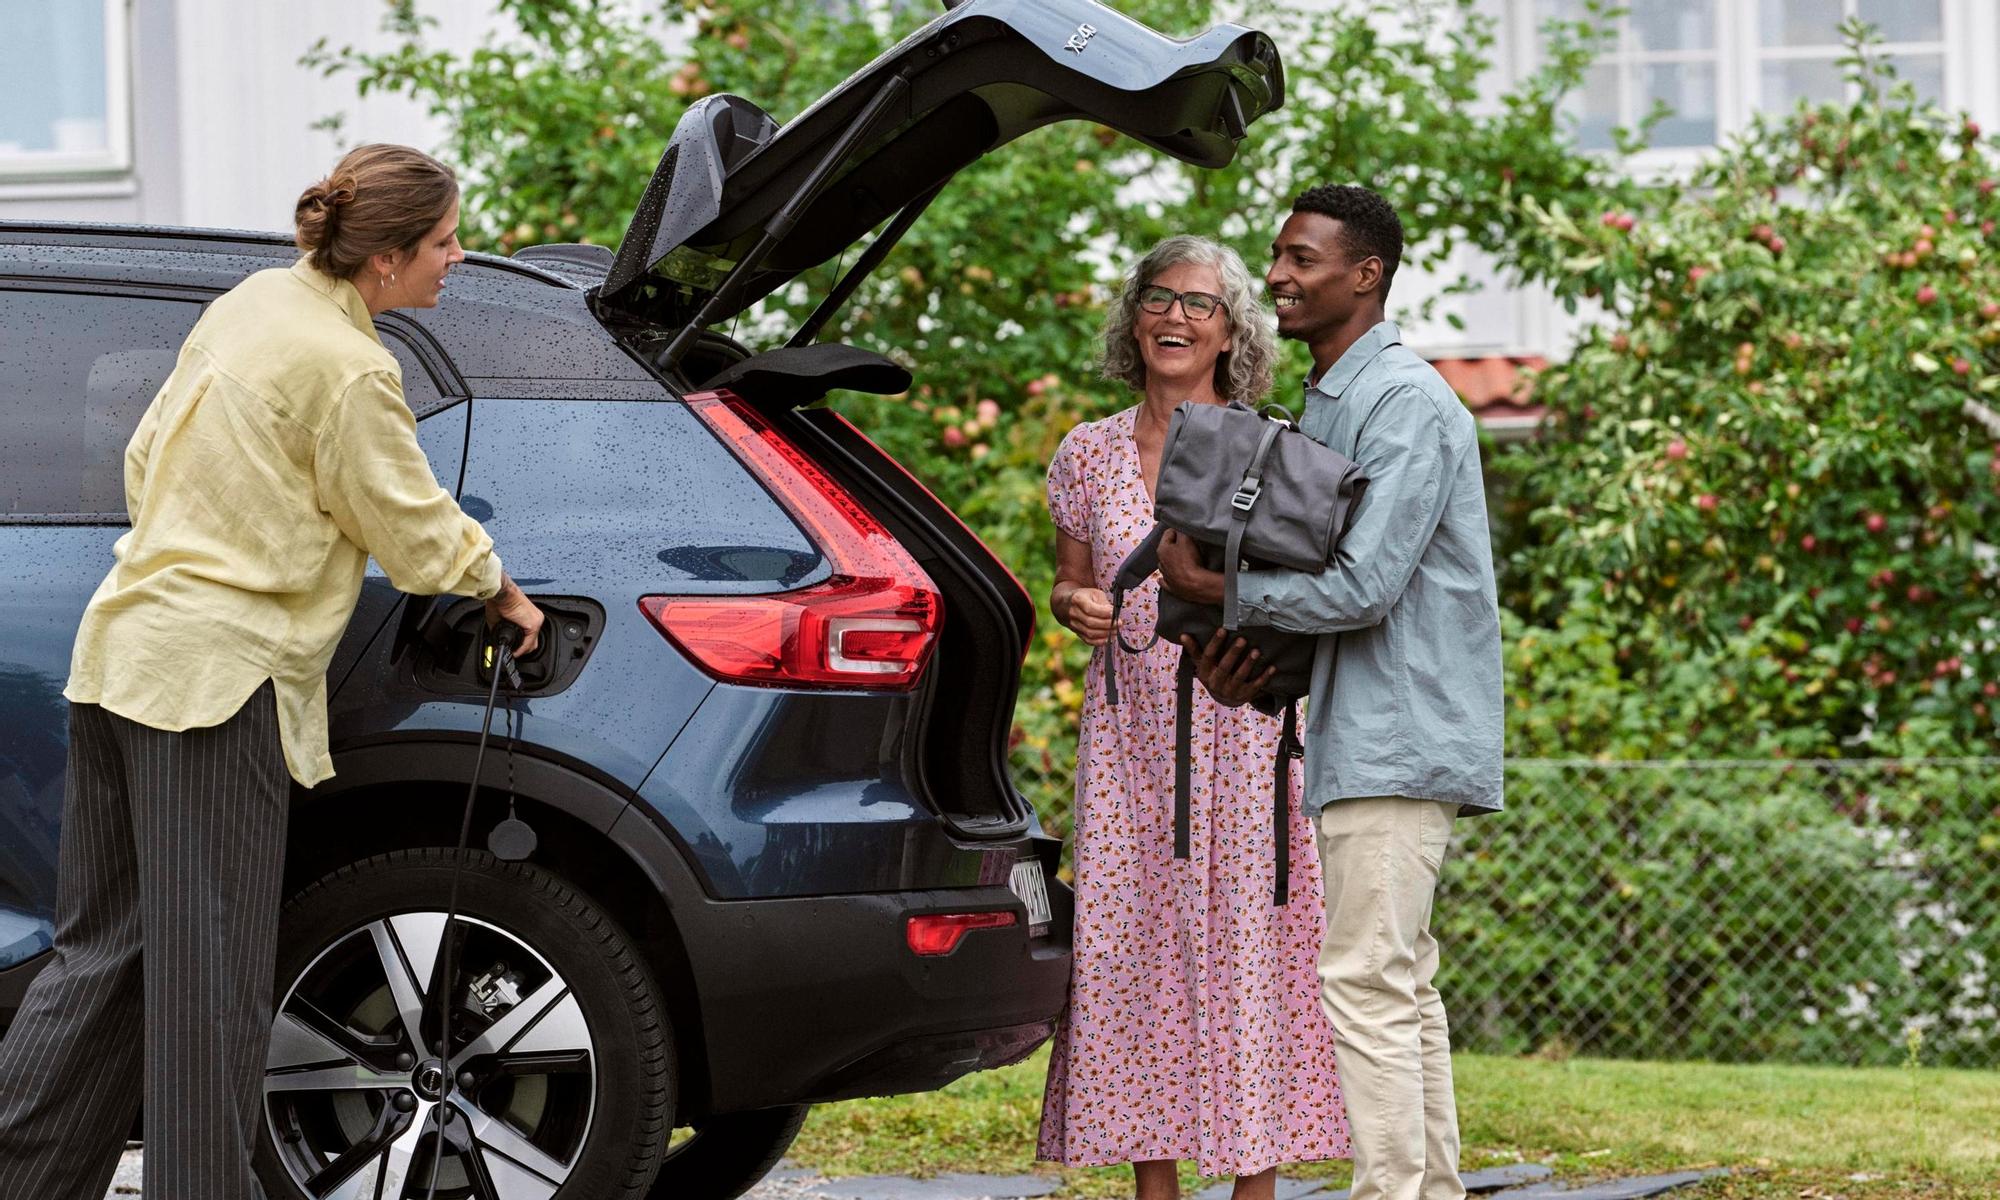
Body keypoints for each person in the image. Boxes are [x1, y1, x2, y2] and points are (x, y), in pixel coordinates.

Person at [0, 144, 543, 1200]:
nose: (456, 257)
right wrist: (501, 591)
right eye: (441, 242)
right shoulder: (348, 367)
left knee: (104, 957)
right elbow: (409, 520)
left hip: (123, 656)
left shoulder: (251, 304)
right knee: (211, 979)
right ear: (384, 260)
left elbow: (146, 455)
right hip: (212, 685)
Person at [1159, 185, 1504, 1200]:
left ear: (1366, 275)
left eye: (1301, 259)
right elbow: (1335, 599)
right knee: (1399, 983)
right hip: (1363, 728)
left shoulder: (1402, 404)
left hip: (1398, 736)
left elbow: (1363, 586)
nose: (1276, 277)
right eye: (1276, 256)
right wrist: (1254, 673)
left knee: (1360, 980)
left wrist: (1214, 591)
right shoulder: (1333, 405)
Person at [1037, 235, 1350, 1200]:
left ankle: (1254, 1188)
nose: (1176, 317)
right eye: (1159, 298)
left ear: (1231, 333)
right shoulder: (1086, 451)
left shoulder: (1271, 446)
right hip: (1132, 747)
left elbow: (1311, 585)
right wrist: (1074, 606)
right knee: (1136, 958)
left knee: (1253, 954)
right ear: (1134, 321)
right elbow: (1070, 581)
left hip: (1247, 734)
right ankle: (1156, 1191)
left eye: (1200, 305)